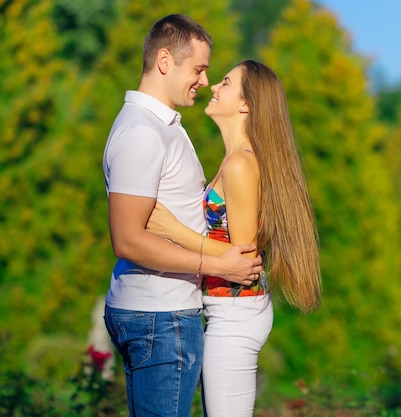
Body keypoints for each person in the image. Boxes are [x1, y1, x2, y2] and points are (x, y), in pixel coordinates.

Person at [101, 15, 263, 417]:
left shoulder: (164, 126)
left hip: (167, 315)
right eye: (199, 69)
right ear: (164, 61)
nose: (205, 81)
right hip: (161, 317)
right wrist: (215, 263)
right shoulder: (144, 131)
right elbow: (128, 239)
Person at [146, 60, 322, 417]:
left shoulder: (241, 164)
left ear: (246, 105)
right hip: (230, 312)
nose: (214, 87)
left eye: (226, 83)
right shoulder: (235, 160)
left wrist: (171, 230)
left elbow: (242, 258)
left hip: (236, 315)